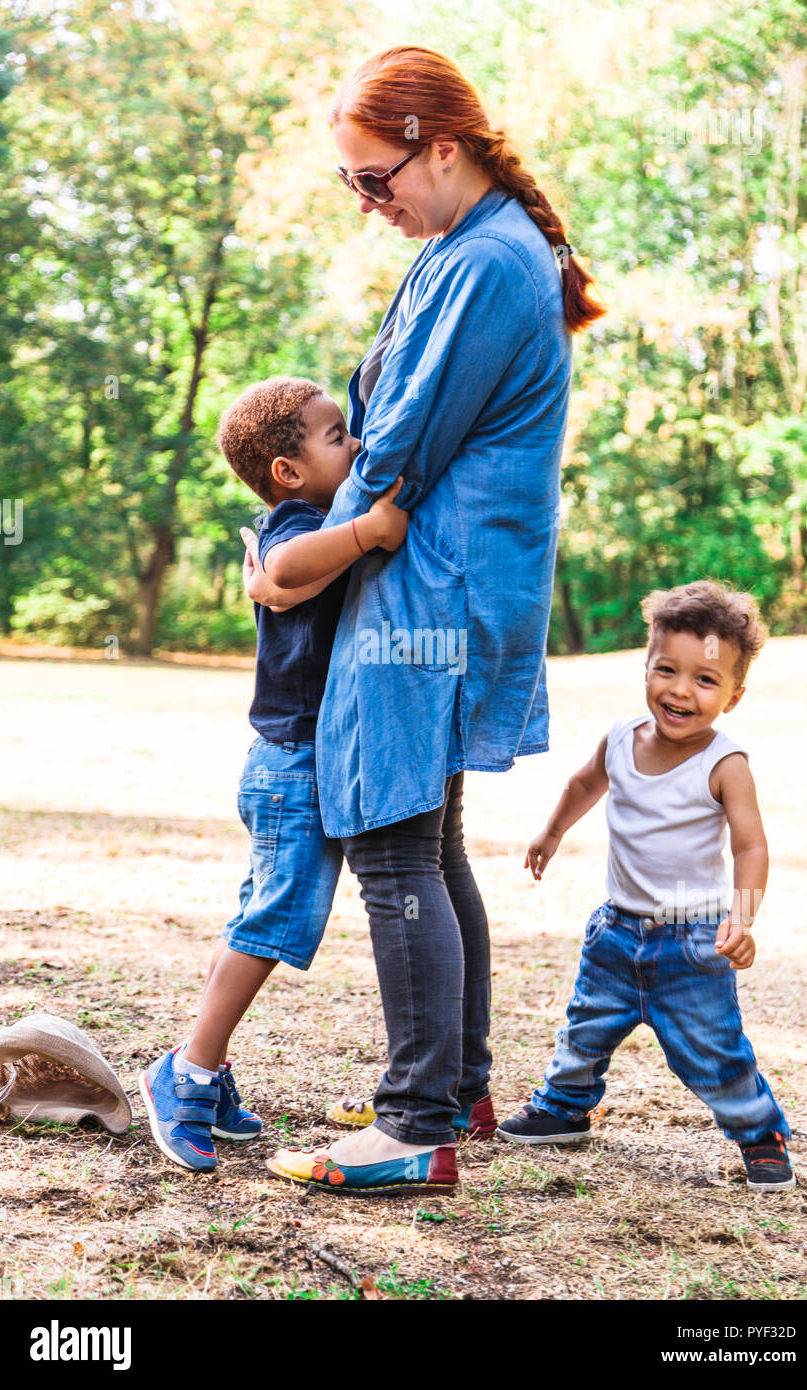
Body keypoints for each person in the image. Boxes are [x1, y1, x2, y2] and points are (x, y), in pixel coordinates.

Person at [247, 46, 605, 1196]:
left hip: (426, 597)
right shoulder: (479, 250)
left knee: (391, 843)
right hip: (442, 588)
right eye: (353, 184)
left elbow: (395, 446)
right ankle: (455, 1089)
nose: (368, 203)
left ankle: (413, 1128)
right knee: (429, 843)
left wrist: (295, 561)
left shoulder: (486, 262)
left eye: (372, 177)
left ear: (436, 146)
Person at [138, 376, 407, 1172]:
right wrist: (370, 530)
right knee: (273, 922)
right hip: (292, 760)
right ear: (287, 471)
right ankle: (185, 1073)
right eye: (335, 437)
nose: (354, 444)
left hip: (296, 759)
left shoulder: (317, 519)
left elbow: (283, 579)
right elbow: (284, 569)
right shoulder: (297, 522)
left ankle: (205, 1068)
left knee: (264, 917)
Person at [497, 581, 796, 1192]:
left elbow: (750, 846)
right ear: (646, 667)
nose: (681, 690)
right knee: (586, 1024)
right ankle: (564, 1106)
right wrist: (551, 834)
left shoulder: (725, 764)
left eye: (706, 680)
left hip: (693, 945)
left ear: (733, 697)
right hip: (616, 930)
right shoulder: (621, 737)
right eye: (667, 670)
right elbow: (585, 784)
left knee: (713, 1050)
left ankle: (759, 1131)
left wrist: (742, 917)